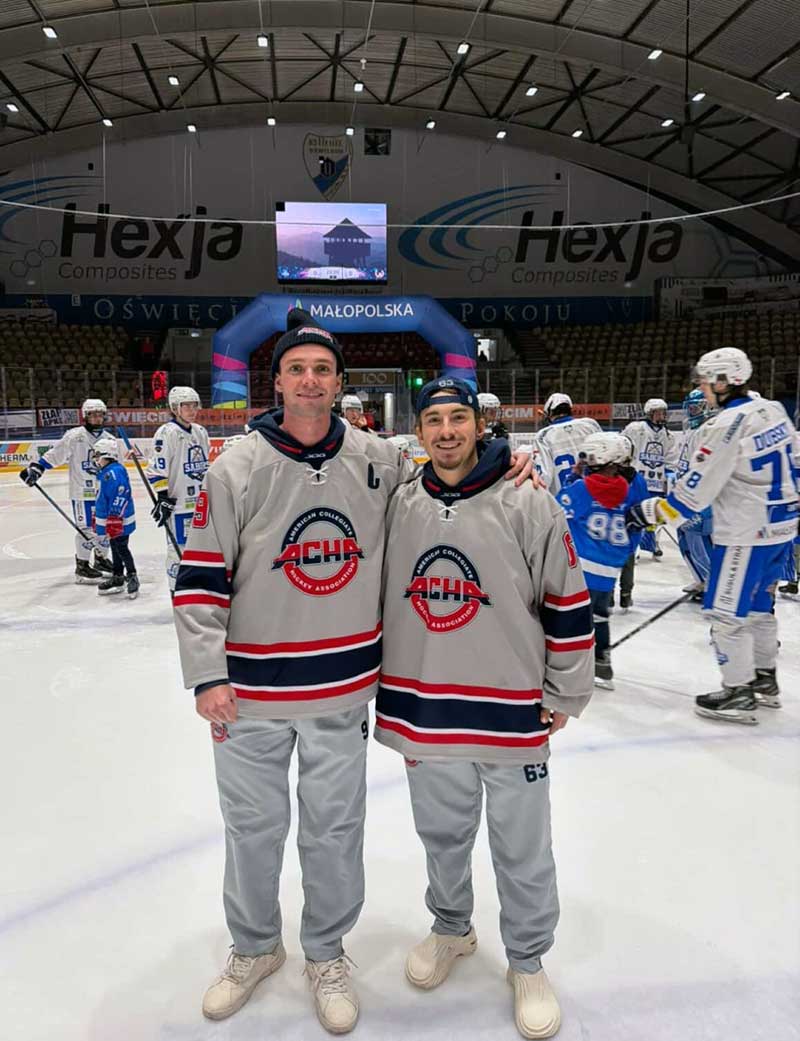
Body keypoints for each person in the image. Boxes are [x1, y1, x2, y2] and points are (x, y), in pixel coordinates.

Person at [172, 310, 535, 1034]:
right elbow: (201, 577)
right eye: (296, 369)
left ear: (339, 382)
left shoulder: (378, 459)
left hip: (340, 689)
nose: (310, 381)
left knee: (334, 830)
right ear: (276, 381)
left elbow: (451, 481)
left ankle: (326, 952)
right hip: (248, 694)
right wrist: (207, 674)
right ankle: (254, 947)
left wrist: (509, 461)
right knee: (252, 828)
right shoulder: (235, 467)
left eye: (322, 370)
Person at [375, 377, 594, 1041]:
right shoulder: (401, 501)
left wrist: (565, 688)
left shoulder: (527, 497)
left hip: (510, 706)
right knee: (442, 834)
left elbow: (566, 597)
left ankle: (527, 959)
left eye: (458, 418)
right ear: (419, 431)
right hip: (426, 703)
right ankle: (451, 928)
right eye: (434, 420)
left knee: (522, 845)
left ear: (478, 424)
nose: (446, 431)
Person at [628, 347, 799, 725]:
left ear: (724, 382)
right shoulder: (773, 410)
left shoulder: (724, 425)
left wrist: (647, 513)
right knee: (759, 607)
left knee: (725, 612)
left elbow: (692, 495)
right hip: (781, 528)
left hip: (745, 533)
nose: (703, 390)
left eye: (706, 383)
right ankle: (764, 679)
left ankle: (738, 691)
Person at [556, 432, 649, 690]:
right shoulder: (628, 490)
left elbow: (554, 510)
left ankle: (566, 668)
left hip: (580, 568)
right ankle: (602, 663)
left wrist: (573, 477)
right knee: (599, 615)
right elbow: (635, 530)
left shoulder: (582, 488)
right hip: (608, 571)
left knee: (568, 615)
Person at [19, 398, 114, 583]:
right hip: (82, 492)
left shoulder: (110, 439)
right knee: (87, 529)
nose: (97, 418)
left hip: (104, 492)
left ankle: (101, 559)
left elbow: (116, 467)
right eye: (92, 414)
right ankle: (82, 566)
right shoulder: (74, 436)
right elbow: (55, 454)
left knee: (105, 528)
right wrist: (37, 468)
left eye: (100, 414)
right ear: (85, 416)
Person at [146, 386, 210, 590]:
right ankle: (177, 590)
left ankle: (197, 586)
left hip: (201, 504)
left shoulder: (200, 431)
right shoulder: (167, 433)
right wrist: (163, 497)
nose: (192, 410)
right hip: (179, 505)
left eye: (194, 405)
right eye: (186, 406)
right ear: (175, 408)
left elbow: (204, 468)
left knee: (202, 546)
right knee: (178, 550)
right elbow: (157, 469)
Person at [617, 398, 679, 607]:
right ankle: (634, 550)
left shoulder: (668, 436)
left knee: (654, 519)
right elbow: (623, 446)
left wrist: (669, 477)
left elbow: (671, 460)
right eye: (658, 412)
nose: (662, 416)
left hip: (656, 482)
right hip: (637, 481)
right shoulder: (636, 428)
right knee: (634, 518)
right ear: (649, 413)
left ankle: (652, 543)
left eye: (664, 412)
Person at [674, 388, 714, 600]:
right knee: (684, 539)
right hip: (684, 495)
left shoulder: (708, 431)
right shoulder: (689, 430)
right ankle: (700, 578)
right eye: (690, 407)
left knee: (698, 540)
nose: (693, 411)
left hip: (699, 498)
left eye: (697, 406)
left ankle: (711, 584)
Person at [92, 437, 139, 599]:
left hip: (119, 519)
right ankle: (118, 576)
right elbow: (102, 497)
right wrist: (98, 517)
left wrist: (115, 518)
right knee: (115, 546)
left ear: (106, 455)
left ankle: (132, 576)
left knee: (121, 547)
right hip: (112, 518)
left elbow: (121, 493)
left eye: (97, 455)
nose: (95, 458)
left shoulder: (114, 472)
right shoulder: (106, 471)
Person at [535, 393, 601, 493]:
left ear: (550, 412)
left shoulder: (543, 436)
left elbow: (543, 477)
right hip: (595, 494)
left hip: (564, 498)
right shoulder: (590, 425)